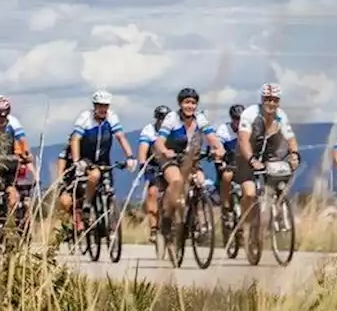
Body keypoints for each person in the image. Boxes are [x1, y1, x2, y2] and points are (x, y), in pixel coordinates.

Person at [60, 90, 137, 230]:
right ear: (94, 106)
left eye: (106, 106)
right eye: (100, 106)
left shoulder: (112, 118)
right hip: (87, 158)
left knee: (108, 184)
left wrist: (130, 156)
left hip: (103, 159)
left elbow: (121, 137)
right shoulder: (85, 118)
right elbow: (75, 139)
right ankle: (87, 205)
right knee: (94, 175)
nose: (103, 109)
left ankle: (108, 216)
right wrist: (77, 161)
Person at [235, 83, 301, 237]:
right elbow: (243, 141)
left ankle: (277, 214)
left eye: (275, 100)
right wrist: (251, 160)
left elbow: (290, 139)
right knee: (250, 193)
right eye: (267, 99)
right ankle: (244, 223)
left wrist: (294, 155)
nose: (271, 103)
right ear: (262, 99)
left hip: (269, 156)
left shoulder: (281, 115)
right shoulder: (250, 114)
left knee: (280, 180)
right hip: (247, 156)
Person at [154, 88, 225, 229]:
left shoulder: (200, 118)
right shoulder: (172, 118)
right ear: (180, 104)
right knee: (176, 181)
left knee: (201, 182)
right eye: (187, 102)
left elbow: (211, 136)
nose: (190, 106)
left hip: (192, 160)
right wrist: (165, 151)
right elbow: (159, 141)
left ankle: (196, 220)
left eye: (193, 103)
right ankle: (167, 216)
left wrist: (219, 148)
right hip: (172, 158)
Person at [136, 105, 170, 238]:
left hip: (169, 163)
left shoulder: (172, 129)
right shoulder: (149, 130)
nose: (163, 121)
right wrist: (143, 163)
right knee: (152, 192)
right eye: (160, 118)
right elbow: (143, 148)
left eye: (165, 118)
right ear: (156, 119)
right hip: (153, 165)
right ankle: (154, 228)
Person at [213, 104, 245, 210]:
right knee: (227, 176)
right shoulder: (223, 130)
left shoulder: (248, 129)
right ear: (232, 118)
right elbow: (218, 147)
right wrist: (220, 158)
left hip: (244, 165)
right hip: (228, 163)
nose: (239, 121)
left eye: (242, 119)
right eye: (236, 119)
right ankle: (226, 206)